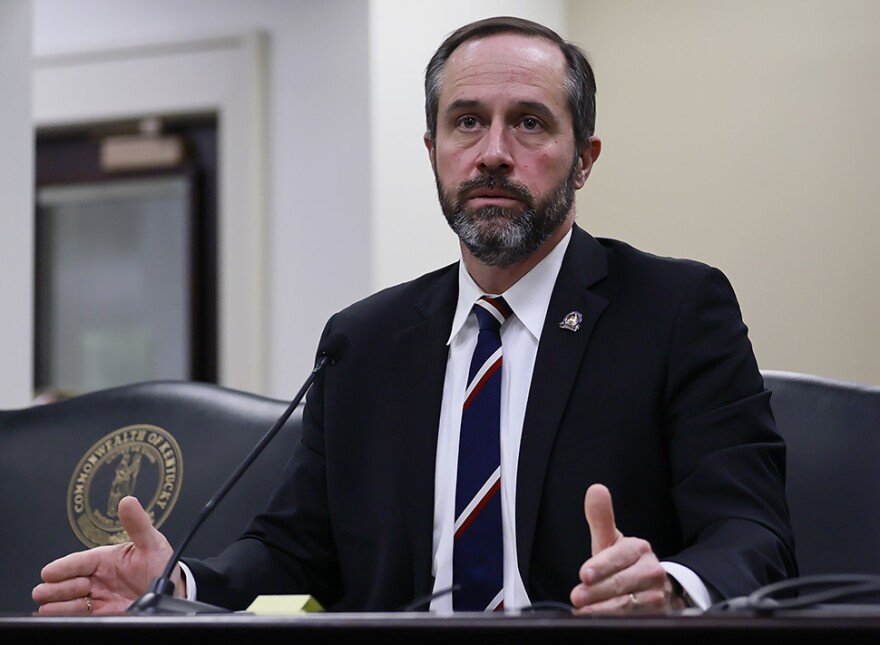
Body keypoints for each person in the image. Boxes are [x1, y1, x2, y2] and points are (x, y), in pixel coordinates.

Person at [32, 16, 796, 617]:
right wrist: (182, 583)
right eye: (466, 122)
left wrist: (668, 583)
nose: (493, 152)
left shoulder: (673, 310)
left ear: (585, 156)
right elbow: (298, 551)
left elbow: (754, 535)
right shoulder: (363, 342)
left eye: (529, 122)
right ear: (432, 148)